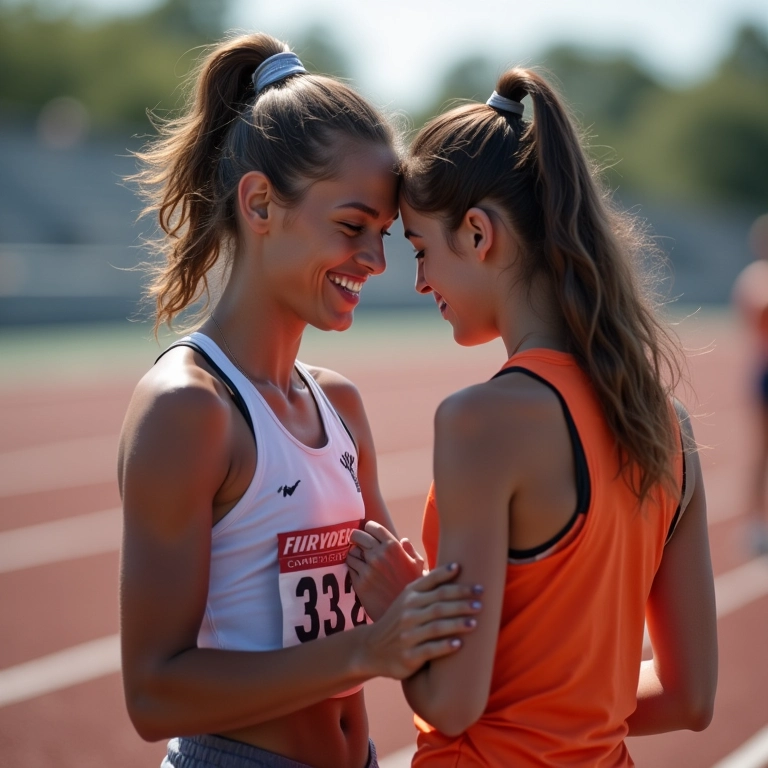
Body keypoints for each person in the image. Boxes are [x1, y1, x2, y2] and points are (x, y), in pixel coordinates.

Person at [117, 33, 481, 768]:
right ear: (259, 204)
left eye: (384, 235)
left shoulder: (340, 404)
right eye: (352, 228)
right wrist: (365, 651)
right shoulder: (187, 411)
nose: (377, 262)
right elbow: (154, 697)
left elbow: (393, 611)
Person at [349, 68, 718, 766]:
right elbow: (689, 697)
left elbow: (451, 703)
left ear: (480, 233)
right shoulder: (668, 424)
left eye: (422, 249)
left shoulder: (480, 424)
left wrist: (403, 610)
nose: (421, 280)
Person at [732, 213, 768, 555]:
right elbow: (758, 313)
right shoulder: (757, 277)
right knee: (761, 451)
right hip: (765, 371)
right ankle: (755, 525)